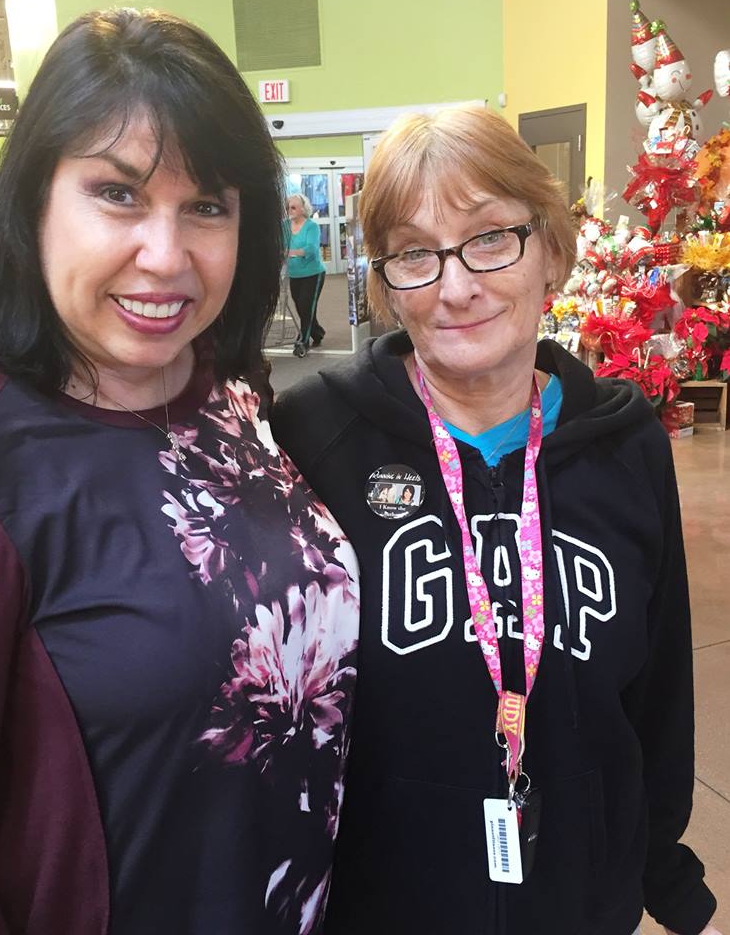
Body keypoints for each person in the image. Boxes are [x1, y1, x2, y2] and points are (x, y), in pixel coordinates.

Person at [0, 9, 359, 935]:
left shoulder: (227, 389)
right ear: (34, 201)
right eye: (117, 193)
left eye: (207, 206)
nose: (166, 257)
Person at [272, 106, 721, 935]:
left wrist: (661, 863)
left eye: (488, 238)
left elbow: (660, 691)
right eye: (415, 253)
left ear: (550, 248)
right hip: (386, 906)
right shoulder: (313, 438)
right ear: (385, 283)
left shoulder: (624, 446)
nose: (455, 287)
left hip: (581, 900)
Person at [285, 193, 326, 349]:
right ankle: (317, 332)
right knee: (302, 307)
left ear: (303, 209)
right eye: (288, 208)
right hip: (294, 273)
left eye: (293, 207)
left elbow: (311, 249)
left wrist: (290, 252)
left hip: (313, 273)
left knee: (306, 305)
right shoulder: (285, 226)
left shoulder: (311, 226)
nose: (290, 210)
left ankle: (303, 340)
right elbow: (280, 244)